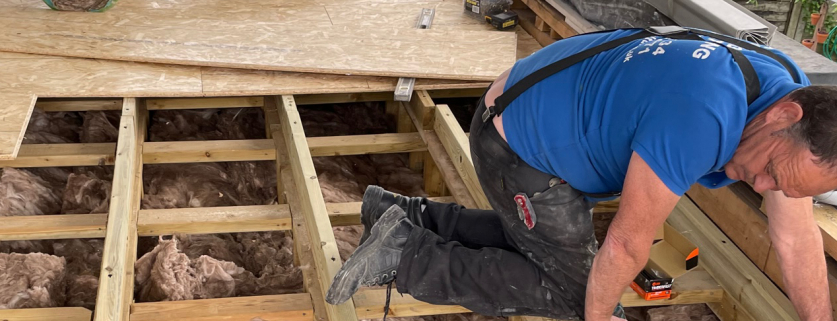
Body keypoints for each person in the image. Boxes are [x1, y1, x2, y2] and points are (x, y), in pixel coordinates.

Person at [325, 27, 837, 321]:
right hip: (517, 144)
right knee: (577, 293)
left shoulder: (788, 92)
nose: (765, 188)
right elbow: (625, 247)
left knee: (546, 248)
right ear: (783, 116)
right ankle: (404, 257)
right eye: (771, 172)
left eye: (786, 187)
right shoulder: (702, 116)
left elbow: (795, 238)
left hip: (536, 107)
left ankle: (401, 214)